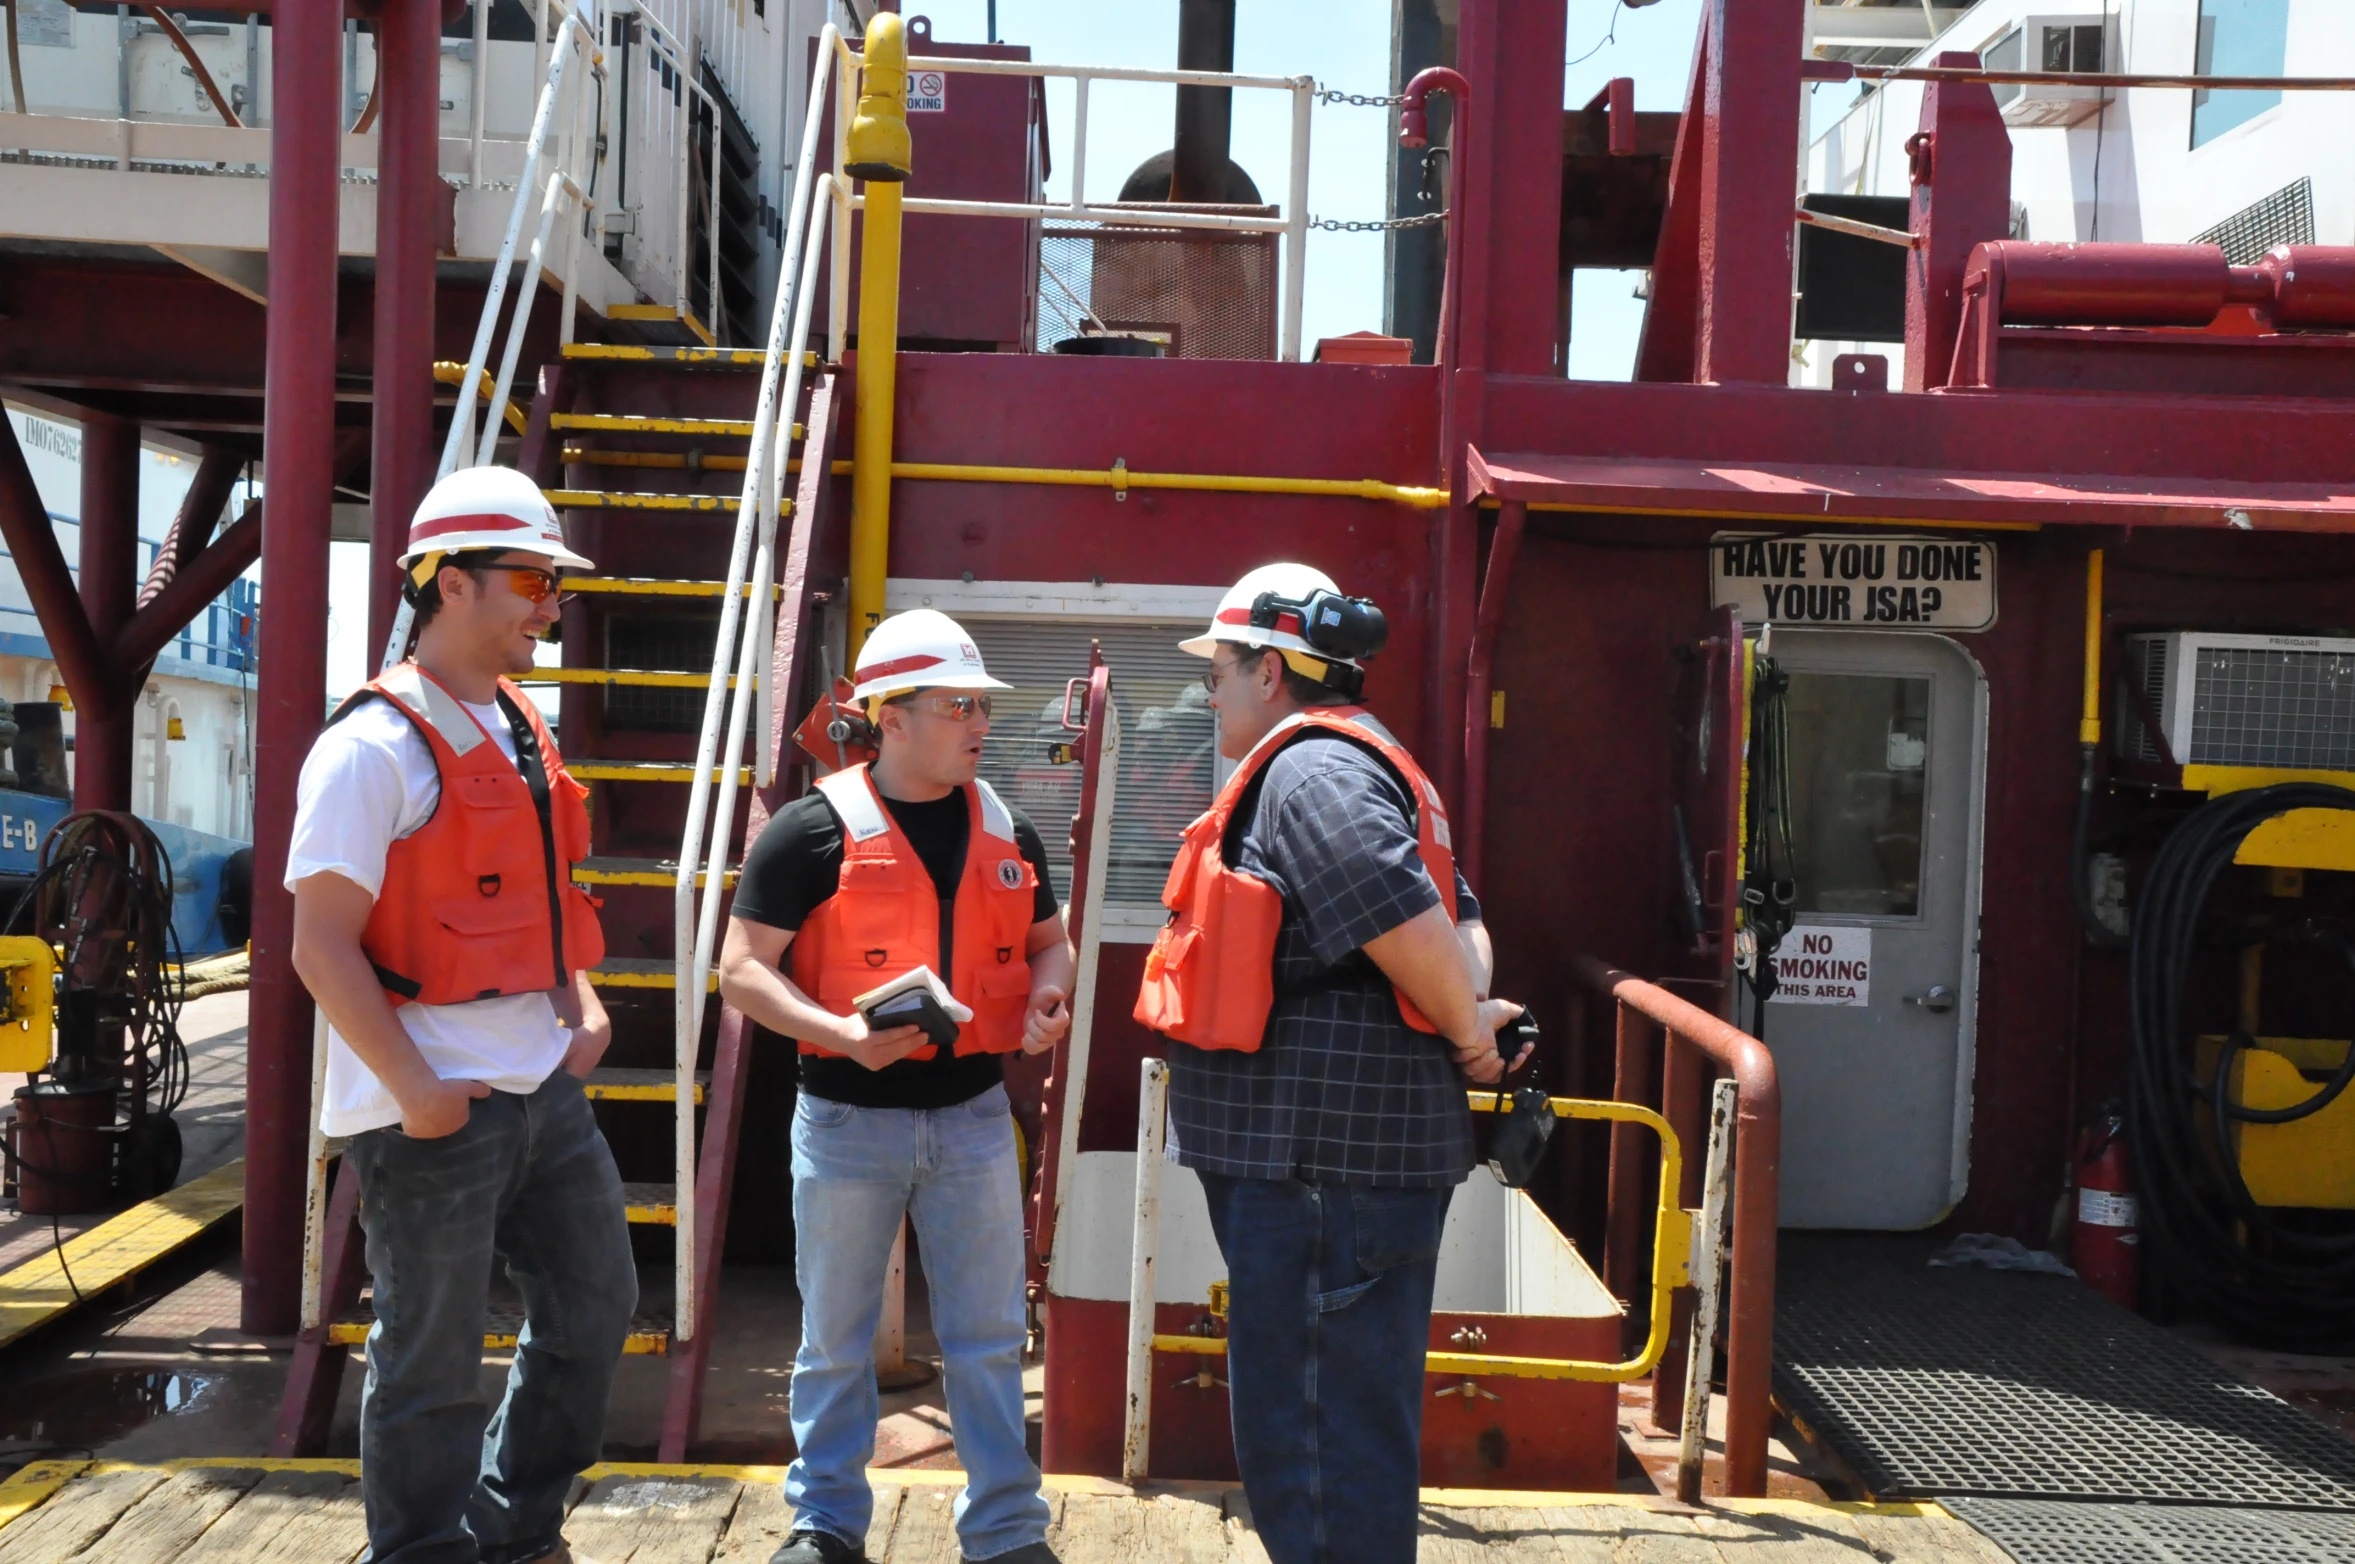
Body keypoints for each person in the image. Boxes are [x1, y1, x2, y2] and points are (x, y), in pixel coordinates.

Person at [1136, 562, 1530, 1564]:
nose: (1209, 692)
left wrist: (1470, 1032)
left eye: (1219, 670)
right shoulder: (1372, 764)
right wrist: (1468, 1012)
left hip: (1321, 1175)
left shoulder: (1312, 774)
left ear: (1271, 670)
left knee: (1314, 1439)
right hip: (1339, 1170)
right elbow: (1460, 922)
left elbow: (1406, 920)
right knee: (1340, 1423)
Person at [288, 465, 629, 1564]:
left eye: (554, 583)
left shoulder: (526, 727)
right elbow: (319, 945)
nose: (550, 604)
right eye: (533, 578)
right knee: (430, 1360)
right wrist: (417, 1091)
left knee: (592, 1310)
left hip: (542, 1083)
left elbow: (542, 896)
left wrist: (580, 1002)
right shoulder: (367, 750)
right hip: (430, 1106)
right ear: (448, 583)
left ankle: (516, 1526)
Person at [718, 609, 1071, 1564]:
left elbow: (1051, 943)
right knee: (833, 1342)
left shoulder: (1010, 827)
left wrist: (1046, 1002)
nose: (979, 721)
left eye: (980, 705)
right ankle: (825, 1526)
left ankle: (1004, 1533)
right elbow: (742, 969)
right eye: (957, 704)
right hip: (845, 1121)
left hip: (972, 1120)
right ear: (892, 716)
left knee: (990, 1339)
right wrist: (838, 1033)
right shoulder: (808, 830)